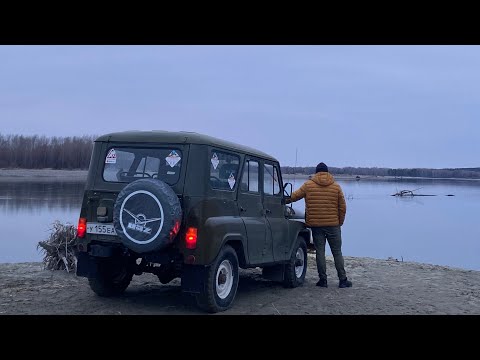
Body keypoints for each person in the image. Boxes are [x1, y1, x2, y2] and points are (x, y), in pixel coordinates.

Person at [286, 162, 352, 288]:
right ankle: (342, 280)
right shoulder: (336, 187)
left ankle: (323, 280)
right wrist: (340, 222)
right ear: (328, 172)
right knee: (337, 252)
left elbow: (294, 196)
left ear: (316, 172)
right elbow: (342, 207)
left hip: (316, 225)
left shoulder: (308, 185)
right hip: (333, 225)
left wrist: (281, 199)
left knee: (320, 252)